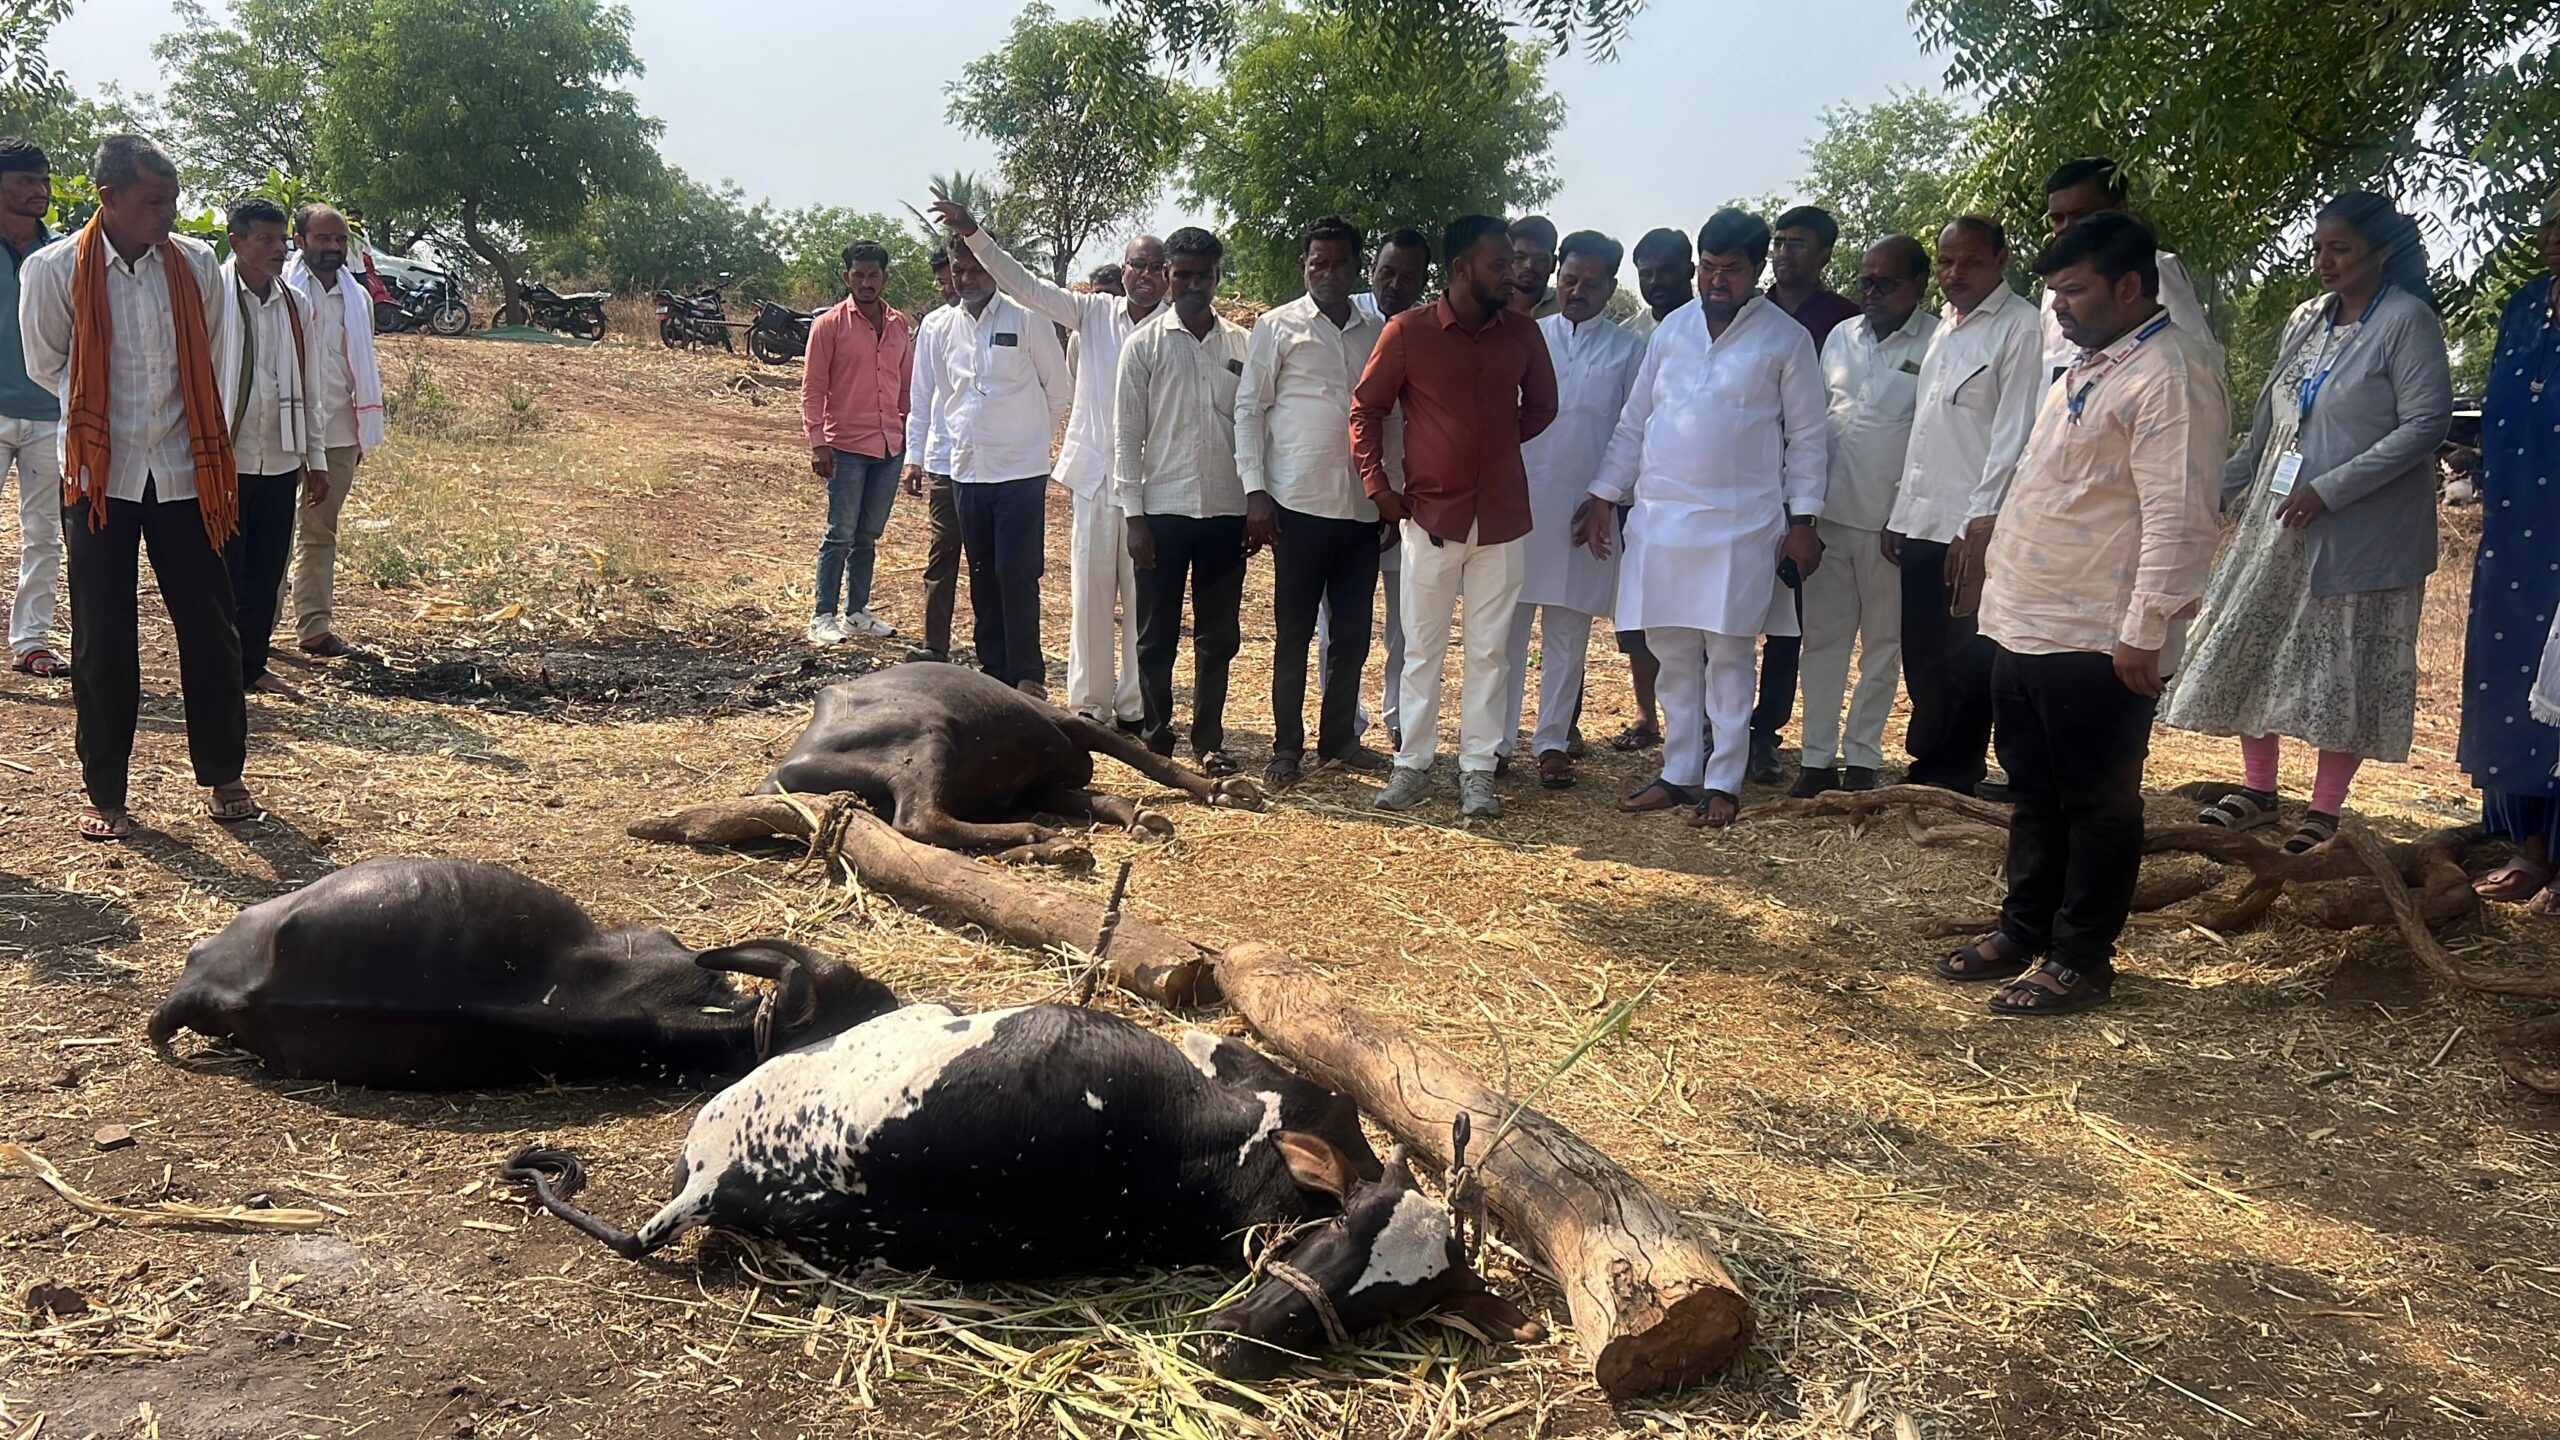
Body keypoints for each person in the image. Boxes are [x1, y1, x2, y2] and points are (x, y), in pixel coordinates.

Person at [1945, 212, 2226, 1015]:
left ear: (2130, 287)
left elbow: (2179, 514)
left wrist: (2146, 627)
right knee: (2032, 789)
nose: (2059, 306)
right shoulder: (2085, 367)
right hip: (2028, 620)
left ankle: (2081, 958)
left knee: (2097, 801)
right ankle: (2025, 928)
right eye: (2055, 291)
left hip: (2099, 634)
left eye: (2074, 290)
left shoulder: (2169, 375)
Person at [2165, 192, 2452, 853]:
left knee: (2342, 665)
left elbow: (2426, 425)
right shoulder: (2306, 319)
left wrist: (2333, 489)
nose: (2324, 261)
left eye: (2340, 248)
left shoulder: (2408, 322)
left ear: (2380, 251)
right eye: (2318, 247)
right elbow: (2271, 425)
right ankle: (2258, 790)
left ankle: (2324, 811)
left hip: (2360, 533)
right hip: (2278, 523)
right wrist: (2220, 489)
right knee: (2249, 645)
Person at [21, 135, 254, 839]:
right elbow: (46, 365)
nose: (167, 213)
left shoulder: (197, 263)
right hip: (98, 478)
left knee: (211, 631)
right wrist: (99, 424)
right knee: (102, 637)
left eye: (173, 200)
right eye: (154, 200)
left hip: (186, 472)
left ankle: (224, 774)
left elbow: (214, 354)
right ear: (109, 197)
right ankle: (107, 794)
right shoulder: (53, 268)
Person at [1578, 209, 1827, 830]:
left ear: (1756, 270)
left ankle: (1724, 780)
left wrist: (1805, 520)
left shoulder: (1785, 338)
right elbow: (1636, 421)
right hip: (1663, 518)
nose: (1718, 281)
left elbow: (1809, 438)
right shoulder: (1672, 332)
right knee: (1671, 649)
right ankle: (1679, 770)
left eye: (1732, 270)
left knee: (1729, 652)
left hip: (1742, 524)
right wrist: (1605, 495)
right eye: (1709, 269)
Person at [1352, 214, 1558, 819]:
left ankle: (1477, 771)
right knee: (1422, 647)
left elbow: (1543, 406)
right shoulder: (1408, 332)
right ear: (1463, 267)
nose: (1515, 272)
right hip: (1430, 517)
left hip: (1500, 520)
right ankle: (1413, 764)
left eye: (1516, 262)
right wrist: (1379, 488)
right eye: (1500, 262)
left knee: (1491, 651)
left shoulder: (1522, 335)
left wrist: (1488, 444)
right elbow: (1366, 409)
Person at [933, 195, 1160, 730]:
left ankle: (1136, 706)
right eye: (1136, 266)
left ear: (1169, 276)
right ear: (1122, 271)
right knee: (1090, 594)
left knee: (1145, 600)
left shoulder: (1175, 329)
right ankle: (1088, 705)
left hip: (1154, 487)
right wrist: (974, 235)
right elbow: (1024, 284)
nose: (1145, 276)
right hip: (1095, 478)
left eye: (1156, 268)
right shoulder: (1093, 312)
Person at [1884, 215, 2044, 799]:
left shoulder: (2020, 327)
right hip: (1921, 518)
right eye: (1946, 262)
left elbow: (2013, 434)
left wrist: (1976, 526)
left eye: (1970, 262)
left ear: (2001, 260)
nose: (1954, 274)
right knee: (1922, 651)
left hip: (1972, 524)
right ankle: (1930, 761)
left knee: (1967, 654)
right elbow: (1926, 429)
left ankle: (1959, 768)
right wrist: (1901, 513)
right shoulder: (1944, 328)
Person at [1239, 217, 1392, 788]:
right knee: (1294, 634)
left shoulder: (1376, 332)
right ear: (1303, 266)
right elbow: (1250, 410)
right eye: (1316, 263)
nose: (1327, 273)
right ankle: (1286, 748)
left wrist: (1388, 496)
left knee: (1351, 636)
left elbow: (1389, 419)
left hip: (1360, 510)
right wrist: (1256, 491)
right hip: (1295, 507)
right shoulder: (1277, 327)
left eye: (1339, 263)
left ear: (1356, 268)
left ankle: (1339, 741)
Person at [1501, 228, 1644, 790]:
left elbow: (1631, 433)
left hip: (1584, 509)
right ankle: (1496, 741)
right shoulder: (1525, 337)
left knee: (1568, 632)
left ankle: (1553, 741)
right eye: (1569, 279)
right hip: (1520, 503)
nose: (1576, 290)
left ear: (1611, 286)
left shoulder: (1629, 350)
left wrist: (1607, 496)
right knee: (1505, 632)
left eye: (1590, 283)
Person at [1795, 235, 1937, 795]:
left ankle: (1862, 762)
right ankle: (1814, 760)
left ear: (1918, 284)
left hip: (1890, 525)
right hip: (1828, 517)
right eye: (1864, 281)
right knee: (1824, 642)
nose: (1871, 292)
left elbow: (1930, 438)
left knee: (1882, 646)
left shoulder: (1936, 341)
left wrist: (1904, 514)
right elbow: (1814, 421)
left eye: (1885, 282)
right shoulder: (1839, 336)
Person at [1116, 227, 1252, 773]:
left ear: (1218, 277)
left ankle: (1209, 739)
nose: (1193, 285)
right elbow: (1126, 437)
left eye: (1203, 275)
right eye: (1182, 275)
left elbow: (1253, 428)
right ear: (1167, 276)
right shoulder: (1143, 345)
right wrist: (1134, 517)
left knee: (1218, 635)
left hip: (1226, 509)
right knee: (1156, 635)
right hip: (1162, 512)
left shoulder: (1243, 345)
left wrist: (1257, 501)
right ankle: (1155, 737)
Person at [1744, 204, 1866, 782]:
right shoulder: (1749, 309)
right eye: (1779, 241)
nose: (1783, 253)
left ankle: (1766, 731)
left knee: (1789, 621)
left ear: (1824, 254)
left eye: (1798, 244)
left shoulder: (1843, 321)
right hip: (1745, 484)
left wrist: (1807, 509)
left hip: (1804, 488)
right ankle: (1725, 727)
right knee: (1733, 612)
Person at [2461, 197, 2560, 909]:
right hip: (2515, 527)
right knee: (2514, 671)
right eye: (2549, 223)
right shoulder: (2525, 307)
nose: (2554, 237)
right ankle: (2531, 849)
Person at [921, 241, 1069, 695]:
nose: (967, 279)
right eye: (959, 271)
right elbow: (943, 397)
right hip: (967, 471)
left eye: (975, 270)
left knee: (1016, 570)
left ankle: (1027, 673)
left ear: (994, 270)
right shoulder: (942, 328)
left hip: (1020, 472)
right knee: (982, 571)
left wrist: (1026, 439)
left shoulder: (1026, 317)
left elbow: (1058, 389)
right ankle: (994, 670)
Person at [211, 196, 332, 701]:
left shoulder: (294, 304)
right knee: (225, 573)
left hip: (279, 457)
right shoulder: (210, 293)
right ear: (235, 242)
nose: (278, 250)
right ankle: (218, 672)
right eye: (264, 239)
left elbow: (311, 385)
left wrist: (317, 459)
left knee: (266, 572)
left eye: (281, 239)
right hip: (225, 460)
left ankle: (252, 667)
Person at [1336, 226, 1432, 745]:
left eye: (1408, 276)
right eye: (1386, 272)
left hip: (1407, 499)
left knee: (1406, 622)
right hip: (1347, 494)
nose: (1395, 284)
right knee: (1342, 624)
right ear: (1370, 269)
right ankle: (1343, 722)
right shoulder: (1343, 318)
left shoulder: (1429, 327)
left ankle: (1400, 722)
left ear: (1424, 279)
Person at [1609, 227, 1697, 751]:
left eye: (1668, 270)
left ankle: (1701, 721)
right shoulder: (1630, 335)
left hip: (1690, 498)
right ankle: (1646, 715)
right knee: (1638, 613)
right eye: (1647, 272)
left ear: (1690, 270)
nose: (1658, 281)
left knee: (1693, 614)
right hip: (1634, 497)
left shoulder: (1712, 327)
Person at [283, 203, 384, 660]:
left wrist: (363, 430)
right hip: (282, 430)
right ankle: (254, 632)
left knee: (321, 531)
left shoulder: (357, 297)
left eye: (340, 240)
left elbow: (360, 366)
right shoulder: (281, 290)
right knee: (272, 535)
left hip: (341, 430)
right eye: (323, 239)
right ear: (299, 241)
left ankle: (315, 628)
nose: (333, 248)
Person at [800, 240, 913, 646]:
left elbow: (906, 390)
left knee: (868, 535)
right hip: (846, 446)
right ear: (846, 275)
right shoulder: (828, 326)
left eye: (874, 274)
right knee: (840, 533)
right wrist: (818, 442)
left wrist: (908, 440)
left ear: (884, 276)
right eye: (858, 274)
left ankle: (857, 611)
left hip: (889, 447)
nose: (866, 282)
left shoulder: (899, 325)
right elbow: (813, 389)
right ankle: (823, 615)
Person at [2039, 157, 2221, 381]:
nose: (2067, 228)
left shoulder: (2154, 268)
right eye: (2058, 219)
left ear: (2119, 209)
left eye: (2081, 215)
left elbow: (2196, 363)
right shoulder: (2053, 290)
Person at [0, 138, 63, 679]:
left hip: (50, 414)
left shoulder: (61, 255)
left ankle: (32, 642)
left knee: (44, 532)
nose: (38, 190)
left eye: (42, 180)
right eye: (24, 180)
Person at [901, 250, 965, 663]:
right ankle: (934, 647)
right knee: (942, 557)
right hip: (945, 460)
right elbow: (921, 396)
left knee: (991, 565)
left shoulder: (1012, 317)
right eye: (943, 282)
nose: (949, 288)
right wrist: (914, 456)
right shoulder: (935, 325)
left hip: (992, 466)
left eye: (953, 279)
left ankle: (995, 653)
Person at [1623, 227, 1693, 343]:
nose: (1654, 281)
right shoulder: (1627, 335)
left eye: (1665, 271)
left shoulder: (1717, 326)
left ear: (1690, 271)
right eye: (1646, 274)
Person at [1506, 215, 1561, 319]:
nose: (1529, 265)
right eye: (1520, 257)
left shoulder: (1565, 309)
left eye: (1540, 259)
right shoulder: (1490, 305)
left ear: (1553, 264)